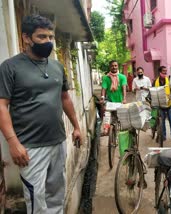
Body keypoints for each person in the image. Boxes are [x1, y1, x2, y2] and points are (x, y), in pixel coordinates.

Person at [0, 15, 81, 213]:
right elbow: (1, 106)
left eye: (51, 37)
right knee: (36, 199)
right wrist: (13, 143)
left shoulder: (56, 66)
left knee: (56, 195)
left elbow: (65, 99)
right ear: (26, 38)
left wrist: (77, 126)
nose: (48, 42)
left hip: (57, 142)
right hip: (30, 147)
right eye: (42, 37)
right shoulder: (10, 67)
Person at [152, 66, 171, 141]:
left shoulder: (169, 80)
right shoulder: (155, 81)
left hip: (169, 104)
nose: (165, 73)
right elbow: (152, 90)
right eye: (163, 71)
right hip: (160, 104)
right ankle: (163, 136)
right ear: (160, 72)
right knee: (162, 122)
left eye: (166, 71)